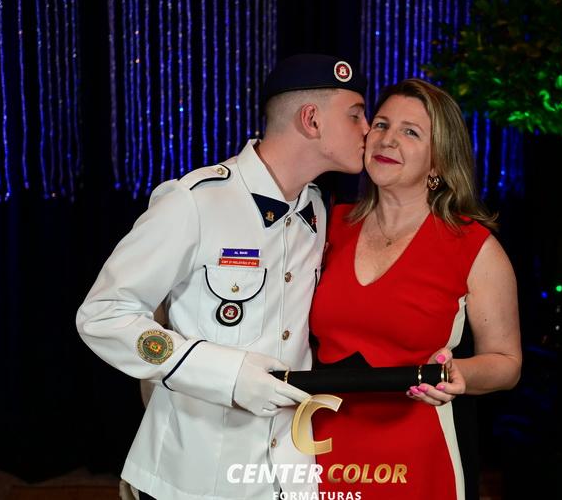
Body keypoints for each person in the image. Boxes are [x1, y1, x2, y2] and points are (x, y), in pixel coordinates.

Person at [76, 54, 369, 500]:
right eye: (355, 115)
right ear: (311, 120)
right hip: (191, 477)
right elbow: (103, 314)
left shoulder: (315, 209)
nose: (368, 129)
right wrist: (226, 375)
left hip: (287, 474)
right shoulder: (195, 202)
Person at [309, 78, 521, 500]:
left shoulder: (473, 246)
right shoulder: (326, 226)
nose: (387, 139)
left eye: (410, 132)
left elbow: (507, 363)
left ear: (438, 161)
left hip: (417, 458)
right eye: (382, 124)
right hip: (319, 447)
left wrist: (461, 374)